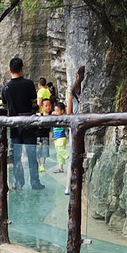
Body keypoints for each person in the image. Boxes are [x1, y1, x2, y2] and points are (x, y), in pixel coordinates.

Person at [1, 56, 44, 191]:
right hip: (29, 124)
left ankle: (19, 183)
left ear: (10, 70)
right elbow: (33, 100)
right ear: (22, 69)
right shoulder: (29, 83)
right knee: (32, 155)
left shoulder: (5, 88)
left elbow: (4, 104)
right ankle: (35, 182)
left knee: (16, 156)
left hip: (14, 125)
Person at [65, 65, 85, 194]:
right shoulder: (80, 92)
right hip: (83, 124)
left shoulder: (72, 92)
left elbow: (69, 113)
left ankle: (68, 186)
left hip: (74, 126)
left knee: (73, 155)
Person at [52, 103, 69, 173]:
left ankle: (70, 157)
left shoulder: (62, 118)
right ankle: (60, 168)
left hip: (61, 137)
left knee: (60, 150)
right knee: (58, 153)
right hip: (56, 138)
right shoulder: (55, 118)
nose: (55, 112)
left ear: (62, 111)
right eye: (55, 111)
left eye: (57, 111)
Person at [37, 97, 52, 172]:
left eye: (49, 105)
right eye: (46, 106)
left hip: (46, 136)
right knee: (38, 151)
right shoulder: (40, 115)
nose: (48, 107)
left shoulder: (52, 115)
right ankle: (38, 164)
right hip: (38, 136)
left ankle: (43, 164)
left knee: (45, 150)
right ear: (42, 107)